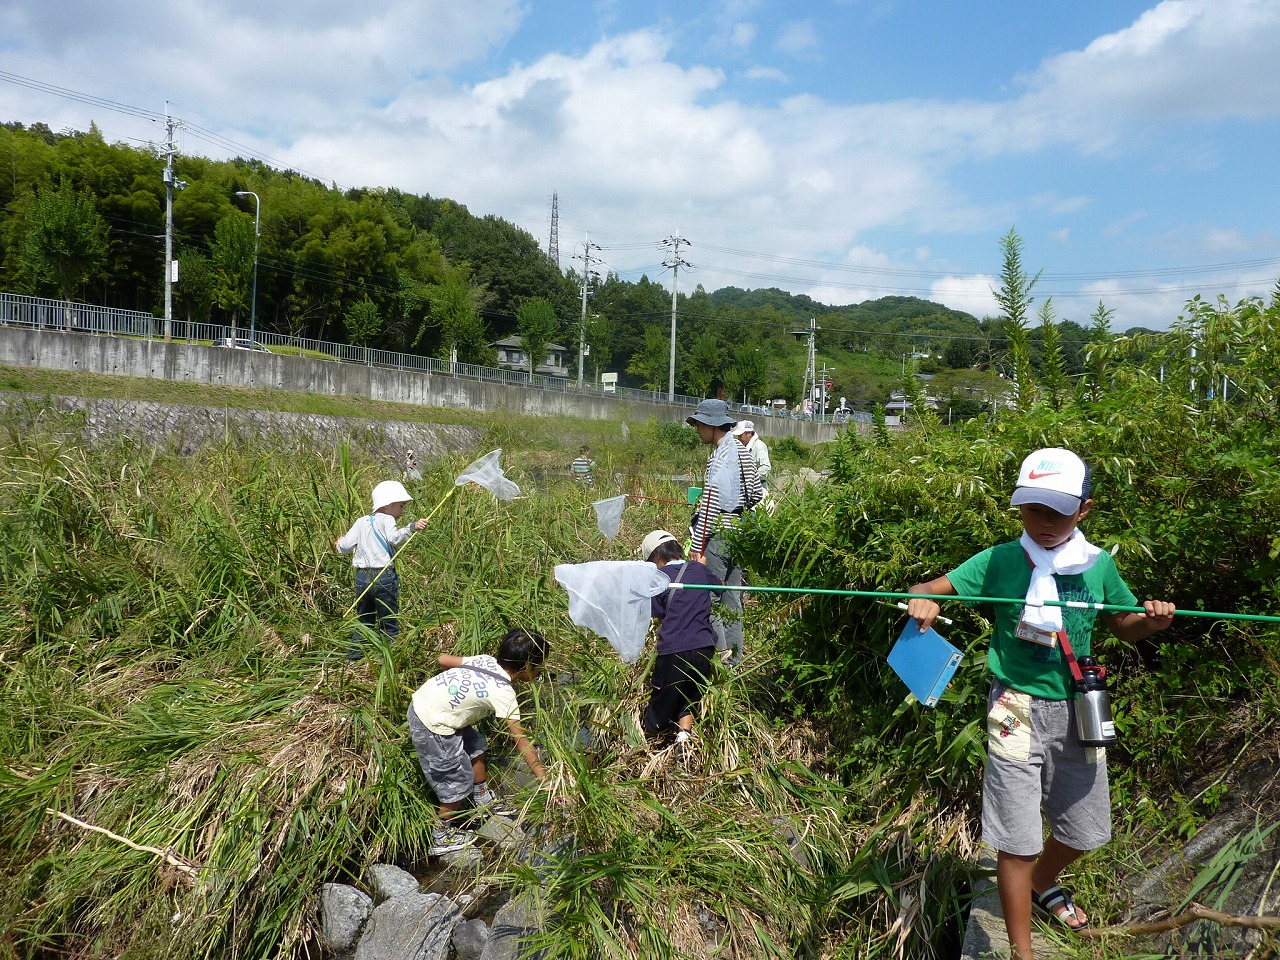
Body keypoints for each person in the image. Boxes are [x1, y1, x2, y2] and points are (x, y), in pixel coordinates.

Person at [905, 448, 1176, 960]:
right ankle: (1022, 953)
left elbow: (1124, 625)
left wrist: (1154, 621)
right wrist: (924, 598)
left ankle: (1044, 881)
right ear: (1020, 508)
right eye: (1033, 509)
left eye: (1058, 510)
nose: (1045, 522)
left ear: (1084, 510)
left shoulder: (1098, 567)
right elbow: (927, 585)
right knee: (1017, 838)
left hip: (1077, 708)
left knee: (1087, 828)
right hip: (1013, 706)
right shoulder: (1001, 560)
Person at [408, 627, 551, 855]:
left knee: (476, 745)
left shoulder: (484, 660)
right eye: (539, 668)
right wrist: (546, 781)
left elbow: (443, 659)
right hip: (432, 723)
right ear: (526, 667)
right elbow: (522, 742)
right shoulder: (503, 693)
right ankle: (441, 835)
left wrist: (454, 692)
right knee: (455, 781)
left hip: (429, 702)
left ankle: (482, 796)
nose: (540, 672)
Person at [685, 399, 763, 668]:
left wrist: (697, 545)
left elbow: (710, 504)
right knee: (733, 598)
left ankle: (719, 659)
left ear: (711, 425)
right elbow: (756, 494)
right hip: (739, 534)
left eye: (698, 424)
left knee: (710, 597)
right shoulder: (743, 450)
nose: (696, 429)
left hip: (718, 536)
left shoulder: (720, 457)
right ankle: (736, 661)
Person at [639, 529, 723, 745]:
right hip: (705, 647)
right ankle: (684, 739)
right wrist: (702, 567)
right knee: (689, 695)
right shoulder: (698, 570)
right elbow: (721, 587)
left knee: (662, 701)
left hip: (673, 651)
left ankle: (648, 743)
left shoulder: (659, 578)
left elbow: (660, 616)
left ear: (657, 557)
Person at [334, 480, 429, 659]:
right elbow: (394, 538)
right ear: (388, 505)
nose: (403, 511)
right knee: (388, 621)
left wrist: (338, 543)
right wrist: (412, 527)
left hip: (362, 577)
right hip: (383, 576)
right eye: (401, 506)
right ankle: (388, 659)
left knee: (365, 620)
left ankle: (354, 658)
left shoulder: (361, 521)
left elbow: (344, 546)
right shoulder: (388, 519)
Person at [731, 420, 772, 491]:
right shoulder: (743, 447)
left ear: (749, 433)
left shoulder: (758, 446)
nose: (739, 438)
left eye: (741, 436)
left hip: (758, 488)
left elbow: (766, 467)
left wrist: (751, 478)